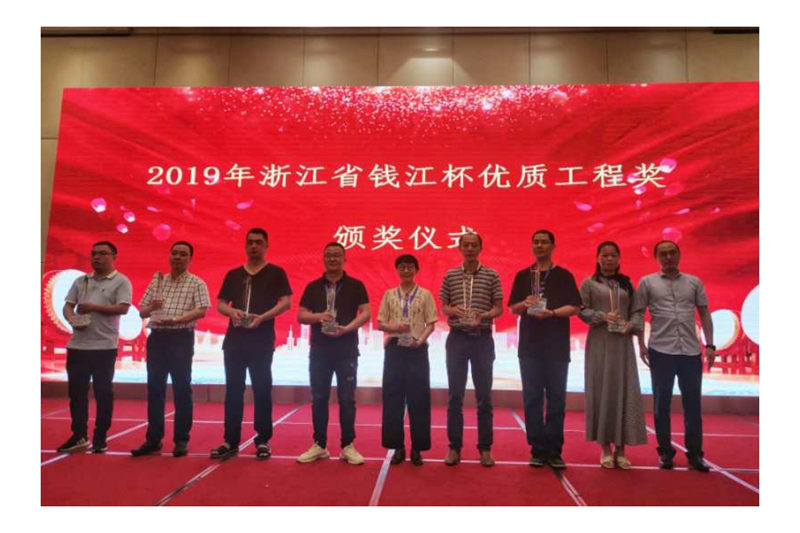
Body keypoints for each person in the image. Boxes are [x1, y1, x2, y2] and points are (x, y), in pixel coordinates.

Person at [631, 240, 716, 472]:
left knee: (693, 405)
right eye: (663, 254)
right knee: (661, 404)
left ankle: (695, 454)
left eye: (672, 253)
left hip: (690, 351)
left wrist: (710, 344)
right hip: (661, 350)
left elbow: (704, 313)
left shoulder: (694, 282)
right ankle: (665, 452)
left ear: (679, 255)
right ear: (656, 257)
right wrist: (641, 344)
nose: (668, 257)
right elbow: (638, 314)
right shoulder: (647, 282)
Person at [211, 228, 292, 460]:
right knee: (233, 390)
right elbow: (221, 304)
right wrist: (232, 312)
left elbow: (286, 302)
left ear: (266, 246)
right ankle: (230, 440)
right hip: (234, 341)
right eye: (250, 242)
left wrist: (263, 317)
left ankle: (263, 439)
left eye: (258, 242)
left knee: (262, 389)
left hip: (261, 340)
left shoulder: (276, 272)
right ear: (245, 246)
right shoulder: (234, 274)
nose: (254, 246)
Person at [508, 230, 581, 469]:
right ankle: (537, 449)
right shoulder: (522, 276)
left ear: (552, 246)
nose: (539, 245)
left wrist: (552, 313)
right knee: (532, 399)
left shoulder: (564, 276)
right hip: (529, 346)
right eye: (536, 242)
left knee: (557, 399)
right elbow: (513, 308)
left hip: (557, 346)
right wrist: (525, 303)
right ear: (532, 246)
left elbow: (575, 307)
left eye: (544, 242)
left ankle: (555, 450)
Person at [131, 241, 210, 458]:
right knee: (155, 389)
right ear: (169, 256)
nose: (178, 257)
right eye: (174, 253)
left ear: (190, 259)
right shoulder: (158, 281)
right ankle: (153, 439)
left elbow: (201, 311)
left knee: (182, 389)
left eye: (183, 254)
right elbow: (142, 312)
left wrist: (176, 319)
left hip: (180, 338)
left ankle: (181, 439)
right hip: (157, 338)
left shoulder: (196, 283)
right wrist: (153, 307)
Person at [296, 242, 371, 465]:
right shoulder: (313, 287)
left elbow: (366, 312)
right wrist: (319, 316)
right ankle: (319, 445)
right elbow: (301, 315)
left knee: (347, 399)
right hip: (320, 350)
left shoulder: (356, 285)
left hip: (346, 350)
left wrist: (347, 329)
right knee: (319, 398)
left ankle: (348, 445)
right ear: (323, 259)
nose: (332, 259)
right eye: (328, 255)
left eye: (337, 255)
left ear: (344, 259)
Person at [58, 241, 132, 454]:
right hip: (77, 345)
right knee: (76, 393)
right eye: (94, 254)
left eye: (102, 253)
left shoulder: (121, 281)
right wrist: (71, 318)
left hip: (104, 346)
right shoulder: (81, 280)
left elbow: (123, 308)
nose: (96, 257)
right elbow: (68, 305)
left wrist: (93, 307)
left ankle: (101, 436)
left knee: (103, 393)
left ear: (113, 257)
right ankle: (79, 435)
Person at [578, 241, 647, 469]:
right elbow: (581, 310)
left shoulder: (626, 284)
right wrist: (601, 316)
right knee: (602, 390)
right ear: (597, 258)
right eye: (604, 255)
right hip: (599, 342)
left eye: (613, 255)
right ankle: (605, 448)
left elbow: (637, 312)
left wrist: (630, 326)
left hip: (622, 344)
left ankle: (621, 448)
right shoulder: (589, 283)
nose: (609, 259)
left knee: (623, 390)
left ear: (619, 259)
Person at [440, 232, 503, 467]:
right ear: (459, 248)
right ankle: (454, 447)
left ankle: (485, 448)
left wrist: (484, 316)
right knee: (455, 396)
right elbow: (444, 307)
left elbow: (499, 308)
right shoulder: (450, 275)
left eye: (473, 245)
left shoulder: (491, 274)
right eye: (465, 245)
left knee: (484, 396)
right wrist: (453, 311)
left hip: (482, 340)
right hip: (457, 339)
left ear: (480, 248)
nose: (469, 248)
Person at [377, 254, 438, 466]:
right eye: (402, 267)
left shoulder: (426, 294)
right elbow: (380, 323)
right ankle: (397, 447)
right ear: (397, 270)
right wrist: (395, 327)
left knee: (419, 399)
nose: (406, 270)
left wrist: (420, 341)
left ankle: (417, 448)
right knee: (392, 398)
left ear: (416, 270)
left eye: (410, 267)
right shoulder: (389, 294)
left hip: (417, 348)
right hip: (394, 348)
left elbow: (431, 323)